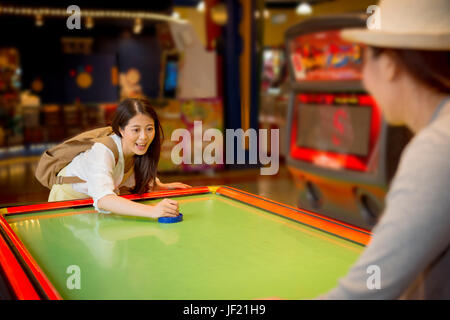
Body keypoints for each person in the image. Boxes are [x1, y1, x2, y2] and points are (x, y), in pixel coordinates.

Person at [319, 0, 450, 299]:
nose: (363, 79)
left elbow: (371, 289)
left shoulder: (438, 148)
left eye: (365, 59)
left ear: (389, 65)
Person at [48, 98, 191, 219]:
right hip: (66, 203)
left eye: (149, 128)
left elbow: (134, 176)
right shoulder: (102, 151)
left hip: (91, 203)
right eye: (136, 130)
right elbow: (104, 199)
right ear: (121, 130)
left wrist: (159, 186)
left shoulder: (138, 151)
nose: (144, 137)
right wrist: (153, 211)